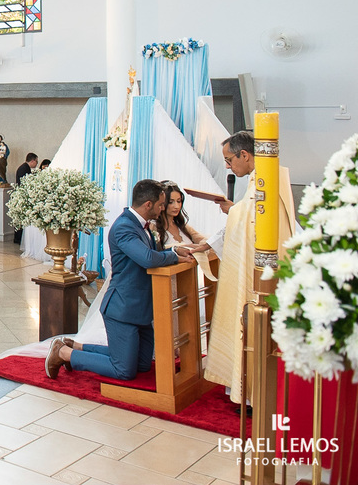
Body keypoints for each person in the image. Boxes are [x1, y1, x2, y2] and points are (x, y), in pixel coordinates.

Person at [47, 180, 193, 380]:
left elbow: (152, 252)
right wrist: (175, 257)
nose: (163, 208)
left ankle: (77, 346)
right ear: (148, 205)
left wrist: (175, 250)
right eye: (161, 204)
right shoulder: (124, 227)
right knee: (123, 370)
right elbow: (147, 258)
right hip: (123, 307)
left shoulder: (143, 225)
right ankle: (64, 354)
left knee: (142, 364)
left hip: (141, 308)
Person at [205, 131, 295, 405]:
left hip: (260, 277)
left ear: (245, 155)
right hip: (269, 271)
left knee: (251, 325)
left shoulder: (265, 181)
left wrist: (234, 212)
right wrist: (236, 209)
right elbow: (252, 218)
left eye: (229, 160)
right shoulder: (269, 177)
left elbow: (252, 224)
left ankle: (254, 393)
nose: (228, 166)